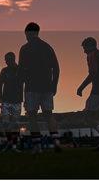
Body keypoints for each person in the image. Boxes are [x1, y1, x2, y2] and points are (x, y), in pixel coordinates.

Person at [18, 22, 61, 153]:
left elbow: (21, 71)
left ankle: (37, 145)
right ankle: (56, 140)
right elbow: (57, 68)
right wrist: (54, 85)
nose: (26, 37)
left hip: (32, 86)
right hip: (47, 86)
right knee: (49, 114)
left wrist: (22, 86)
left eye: (26, 34)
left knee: (32, 115)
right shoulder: (47, 47)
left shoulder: (25, 48)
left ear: (29, 33)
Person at [0, 52, 24, 152]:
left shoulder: (20, 70)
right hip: (6, 101)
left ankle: (13, 146)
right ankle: (10, 143)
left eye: (7, 59)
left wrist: (23, 99)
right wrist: (0, 98)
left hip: (17, 100)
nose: (5, 61)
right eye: (5, 59)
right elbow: (0, 85)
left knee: (15, 124)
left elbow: (24, 85)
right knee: (5, 123)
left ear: (12, 59)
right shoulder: (4, 70)